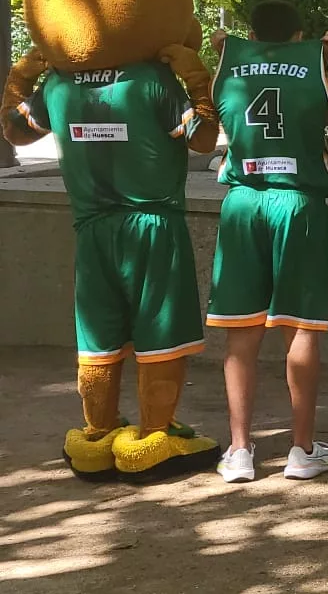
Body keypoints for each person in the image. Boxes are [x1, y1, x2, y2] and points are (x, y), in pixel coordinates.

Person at [7, 43, 222, 480]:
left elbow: (15, 130)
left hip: (92, 227)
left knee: (98, 334)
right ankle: (154, 438)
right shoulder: (150, 79)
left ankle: (96, 437)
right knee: (161, 333)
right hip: (153, 223)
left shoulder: (57, 84)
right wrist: (198, 81)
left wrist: (19, 79)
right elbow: (202, 138)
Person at [206, 1, 328, 482]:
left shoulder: (226, 73)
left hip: (243, 202)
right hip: (298, 204)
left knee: (240, 333)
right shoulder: (318, 78)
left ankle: (241, 451)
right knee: (300, 328)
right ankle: (301, 449)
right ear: (300, 33)